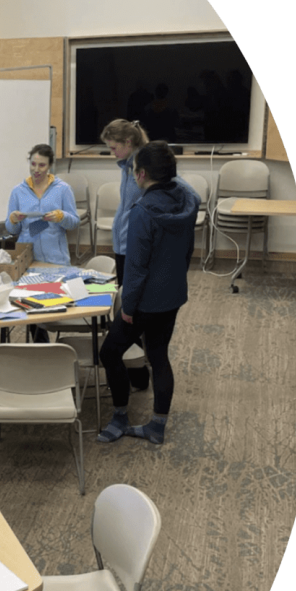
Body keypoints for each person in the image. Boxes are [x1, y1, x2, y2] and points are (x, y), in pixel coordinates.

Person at [97, 141, 199, 445]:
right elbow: (188, 251)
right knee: (158, 355)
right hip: (173, 295)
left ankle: (119, 418)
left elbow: (137, 268)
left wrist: (127, 306)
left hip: (143, 302)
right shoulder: (187, 201)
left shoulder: (142, 212)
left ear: (141, 174)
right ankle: (157, 426)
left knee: (109, 352)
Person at [101, 118, 151, 389]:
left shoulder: (141, 167)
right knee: (125, 306)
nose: (112, 153)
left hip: (133, 246)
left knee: (129, 311)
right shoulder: (126, 165)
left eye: (113, 148)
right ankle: (135, 369)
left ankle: (139, 373)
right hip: (122, 244)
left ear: (128, 143)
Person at [5, 144, 79, 266]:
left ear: (50, 165)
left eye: (42, 165)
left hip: (56, 258)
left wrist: (62, 217)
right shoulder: (17, 191)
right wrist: (13, 220)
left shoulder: (63, 189)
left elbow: (74, 223)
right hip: (26, 258)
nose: (36, 170)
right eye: (33, 164)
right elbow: (12, 230)